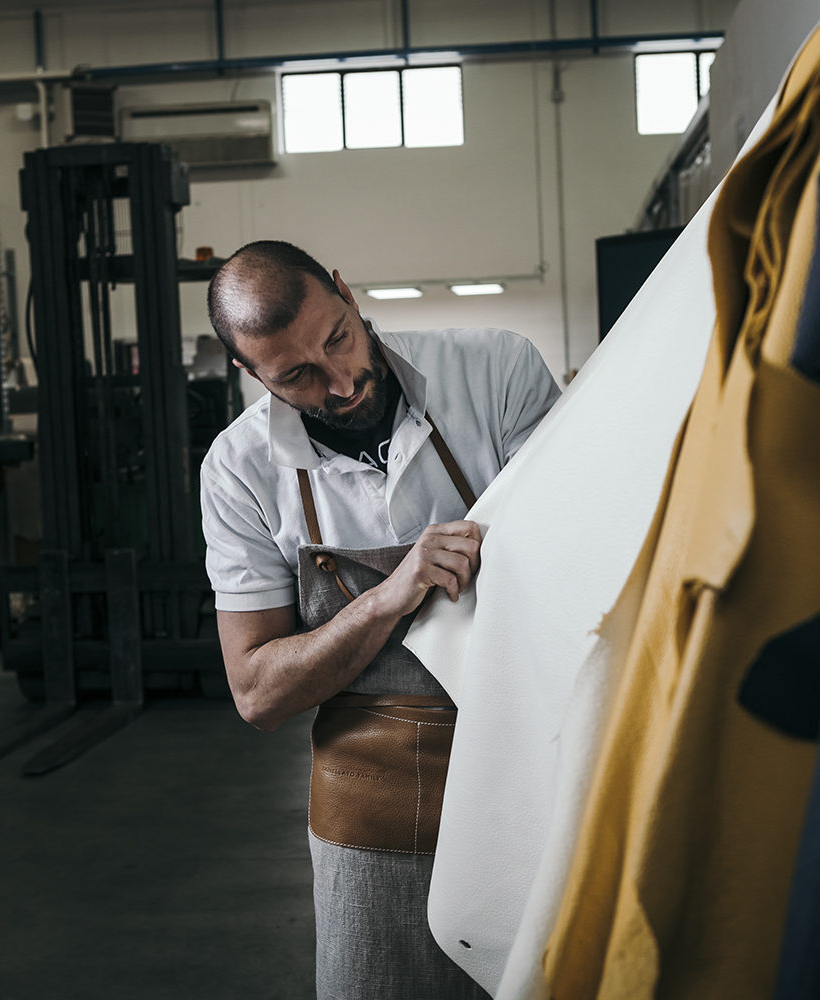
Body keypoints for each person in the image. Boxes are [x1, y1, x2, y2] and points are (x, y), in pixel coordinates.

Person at [200, 240, 560, 999]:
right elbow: (257, 693)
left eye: (338, 338)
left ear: (345, 290)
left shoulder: (494, 373)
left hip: (531, 769)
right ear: (248, 371)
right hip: (371, 799)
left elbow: (574, 574)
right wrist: (390, 595)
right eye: (295, 376)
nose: (339, 381)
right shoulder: (238, 471)